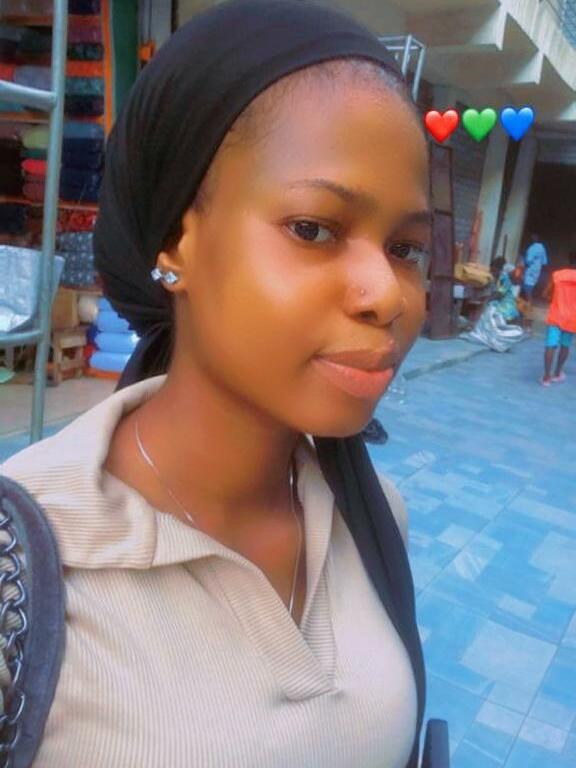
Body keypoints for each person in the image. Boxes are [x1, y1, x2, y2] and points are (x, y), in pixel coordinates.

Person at [0, 2, 431, 765]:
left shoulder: (373, 519)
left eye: (405, 248)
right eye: (314, 229)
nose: (387, 295)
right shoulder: (26, 568)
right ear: (177, 239)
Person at [540, 251, 576, 386]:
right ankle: (557, 373)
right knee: (565, 346)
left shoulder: (557, 275)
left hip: (556, 315)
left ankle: (546, 377)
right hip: (572, 318)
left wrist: (555, 298)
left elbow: (545, 294)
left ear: (569, 260)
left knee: (550, 345)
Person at [520, 233, 548, 331]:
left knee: (527, 297)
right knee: (529, 296)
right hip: (536, 274)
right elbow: (544, 262)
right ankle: (527, 320)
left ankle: (528, 321)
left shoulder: (532, 248)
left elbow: (527, 261)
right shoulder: (542, 247)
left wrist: (523, 261)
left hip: (529, 274)